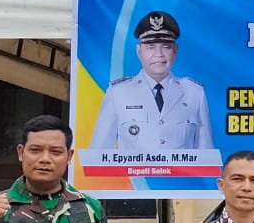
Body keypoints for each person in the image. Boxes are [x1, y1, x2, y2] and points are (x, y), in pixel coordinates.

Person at [89, 10, 212, 152]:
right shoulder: (118, 93)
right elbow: (98, 153)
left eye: (166, 47)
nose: (158, 55)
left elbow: (206, 154)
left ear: (175, 50)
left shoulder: (194, 93)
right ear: (139, 51)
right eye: (150, 47)